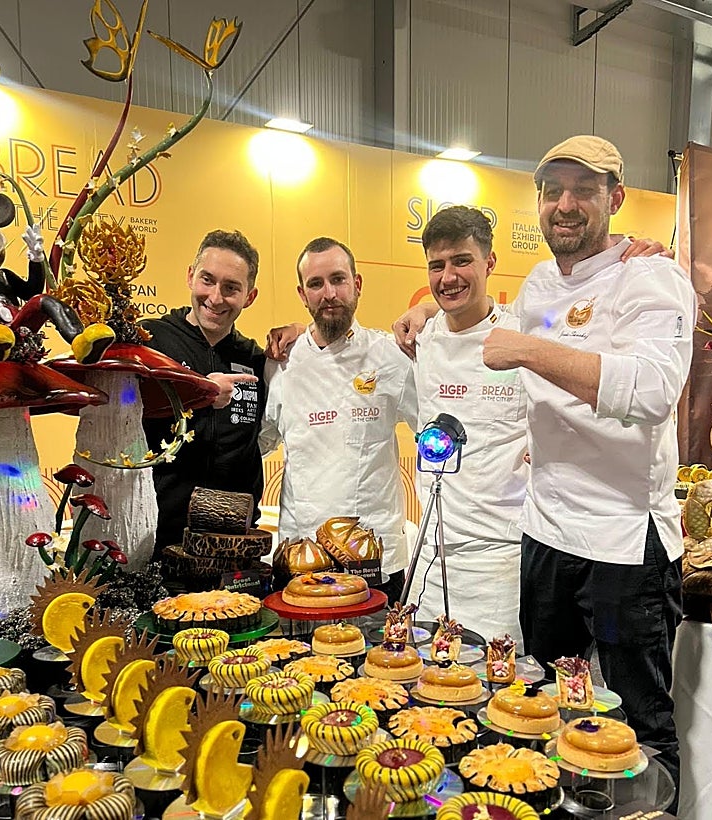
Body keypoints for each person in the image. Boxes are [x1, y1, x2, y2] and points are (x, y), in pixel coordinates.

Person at [481, 135, 696, 791]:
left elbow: (653, 393)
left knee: (637, 729)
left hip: (624, 544)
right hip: (546, 532)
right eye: (552, 191)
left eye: (584, 190)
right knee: (547, 704)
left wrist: (526, 350)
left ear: (617, 198)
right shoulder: (541, 283)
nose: (565, 205)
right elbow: (504, 337)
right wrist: (420, 322)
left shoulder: (653, 276)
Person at [259, 237, 417, 603]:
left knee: (378, 659)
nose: (328, 293)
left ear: (357, 284)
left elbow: (433, 426)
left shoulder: (391, 356)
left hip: (375, 560)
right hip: (302, 559)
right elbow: (257, 443)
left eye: (338, 279)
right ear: (302, 294)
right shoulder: (280, 363)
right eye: (316, 284)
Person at [408, 206, 527, 642]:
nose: (448, 277)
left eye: (462, 261)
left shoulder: (523, 337)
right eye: (436, 266)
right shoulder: (419, 342)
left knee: (497, 694)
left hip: (500, 566)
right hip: (430, 560)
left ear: (490, 263)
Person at [141, 229, 264, 561]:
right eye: (207, 280)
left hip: (235, 545)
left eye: (231, 288)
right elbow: (122, 414)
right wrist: (199, 392)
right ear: (190, 276)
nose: (215, 297)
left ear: (249, 297)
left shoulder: (256, 358)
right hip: (157, 540)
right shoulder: (150, 340)